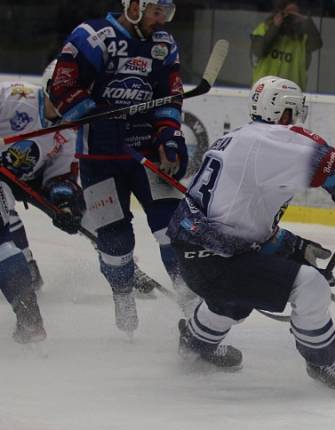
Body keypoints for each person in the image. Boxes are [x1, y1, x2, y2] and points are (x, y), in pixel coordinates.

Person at [167, 76, 335, 391]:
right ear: (281, 112)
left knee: (230, 303)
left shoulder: (237, 139)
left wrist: (290, 246)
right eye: (293, 111)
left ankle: (195, 344)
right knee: (311, 287)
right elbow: (323, 158)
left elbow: (240, 219)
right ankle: (322, 363)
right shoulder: (270, 137)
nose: (295, 119)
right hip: (217, 259)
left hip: (195, 253)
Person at [48, 0, 192, 335]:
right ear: (135, 6)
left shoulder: (163, 44)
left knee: (172, 227)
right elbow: (62, 87)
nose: (161, 20)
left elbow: (169, 97)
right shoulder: (92, 36)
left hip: (146, 154)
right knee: (114, 238)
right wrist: (94, 118)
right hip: (98, 157)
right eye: (156, 11)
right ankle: (122, 294)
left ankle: (192, 303)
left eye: (166, 14)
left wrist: (168, 137)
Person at [0, 63, 84, 343]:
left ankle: (118, 259)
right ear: (49, 87)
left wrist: (64, 203)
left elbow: (60, 176)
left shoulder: (69, 131)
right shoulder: (14, 97)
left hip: (26, 178)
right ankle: (27, 267)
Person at [251, 0, 323, 90]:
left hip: (292, 89)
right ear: (279, 13)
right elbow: (258, 51)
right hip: (263, 88)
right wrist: (275, 26)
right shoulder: (265, 28)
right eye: (287, 13)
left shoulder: (303, 36)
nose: (290, 17)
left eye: (294, 14)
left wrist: (307, 22)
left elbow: (316, 44)